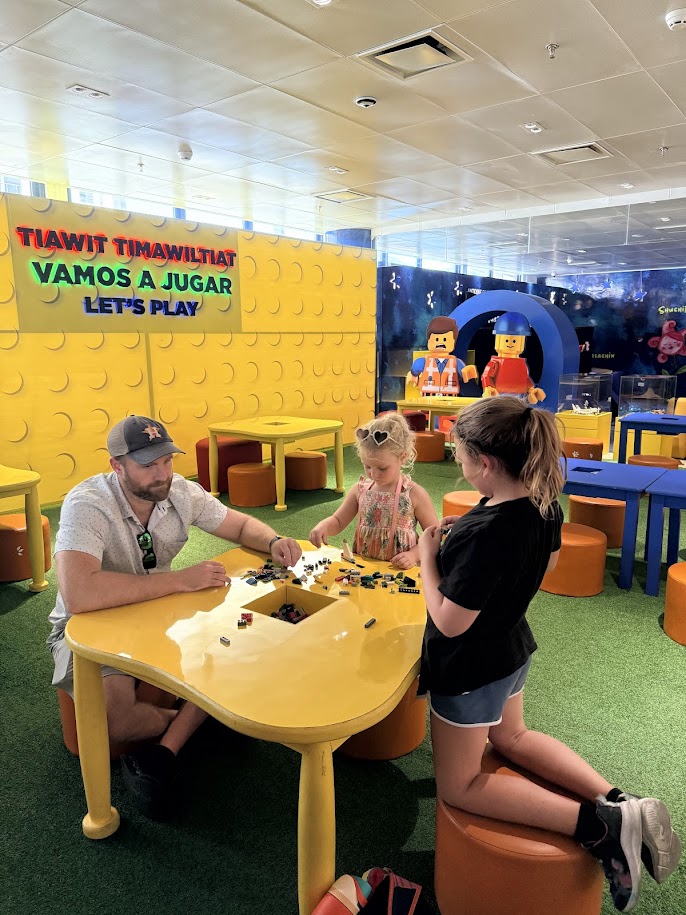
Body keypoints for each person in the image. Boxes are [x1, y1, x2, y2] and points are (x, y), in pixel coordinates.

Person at [417, 397, 680, 913]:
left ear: (486, 464)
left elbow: (450, 622)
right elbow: (551, 557)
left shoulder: (485, 531)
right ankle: (625, 803)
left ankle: (599, 826)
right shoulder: (540, 504)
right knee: (512, 736)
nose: (459, 464)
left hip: (470, 667)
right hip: (512, 648)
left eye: (460, 456)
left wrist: (429, 560)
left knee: (460, 785)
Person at [47, 414, 301, 817]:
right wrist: (180, 580)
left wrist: (273, 539)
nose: (162, 474)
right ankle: (206, 726)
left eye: (166, 460)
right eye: (147, 465)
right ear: (117, 465)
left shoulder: (179, 491)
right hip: (90, 625)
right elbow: (79, 594)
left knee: (231, 641)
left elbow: (237, 526)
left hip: (158, 614)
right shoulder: (87, 504)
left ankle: (183, 735)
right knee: (120, 723)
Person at [309, 413, 438, 569]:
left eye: (382, 468)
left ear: (402, 457)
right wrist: (323, 527)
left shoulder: (414, 494)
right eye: (367, 466)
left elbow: (433, 535)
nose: (374, 474)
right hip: (364, 570)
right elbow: (338, 521)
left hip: (400, 571)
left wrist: (413, 555)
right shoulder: (360, 490)